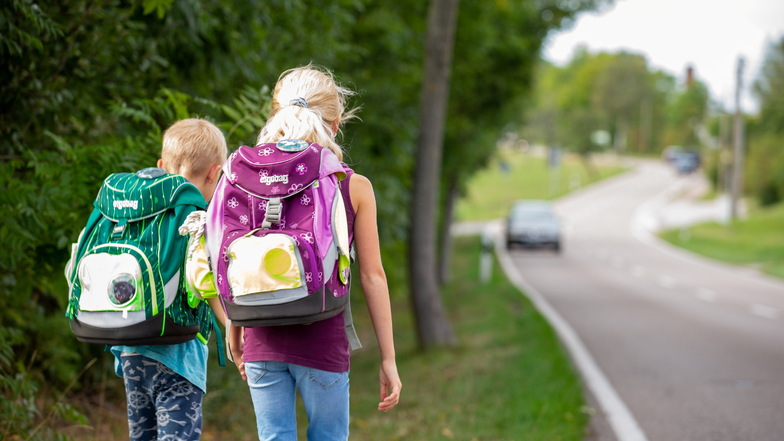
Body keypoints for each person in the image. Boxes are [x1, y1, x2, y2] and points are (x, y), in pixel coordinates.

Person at [229, 65, 402, 440]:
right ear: (336, 124)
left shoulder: (244, 179)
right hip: (322, 340)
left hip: (260, 335)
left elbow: (230, 254)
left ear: (275, 115)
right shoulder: (351, 185)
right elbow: (374, 275)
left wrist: (234, 327)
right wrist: (388, 358)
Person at [109, 118, 228, 441]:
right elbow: (203, 278)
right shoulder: (195, 216)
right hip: (179, 352)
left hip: (130, 348)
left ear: (161, 165)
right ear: (214, 172)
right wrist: (232, 327)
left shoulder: (136, 212)